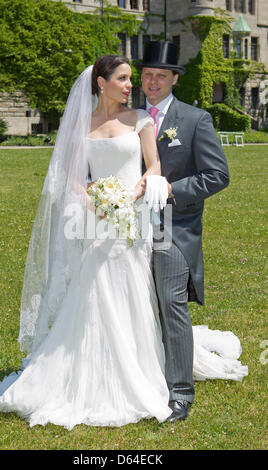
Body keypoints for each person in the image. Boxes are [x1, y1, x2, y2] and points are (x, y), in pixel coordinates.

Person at [0, 55, 247, 430]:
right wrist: (91, 197)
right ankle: (90, 372)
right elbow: (69, 172)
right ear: (100, 82)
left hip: (144, 220)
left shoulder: (143, 119)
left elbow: (154, 166)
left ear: (173, 79)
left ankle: (165, 383)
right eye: (128, 78)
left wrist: (145, 187)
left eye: (135, 78)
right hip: (98, 221)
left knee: (144, 296)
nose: (134, 85)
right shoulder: (81, 124)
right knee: (96, 294)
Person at [136, 41, 244, 422]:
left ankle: (180, 392)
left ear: (174, 79)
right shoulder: (127, 117)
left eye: (160, 76)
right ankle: (137, 377)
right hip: (125, 230)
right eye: (147, 75)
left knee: (171, 304)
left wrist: (170, 190)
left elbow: (218, 175)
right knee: (131, 303)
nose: (152, 82)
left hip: (172, 227)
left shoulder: (195, 120)